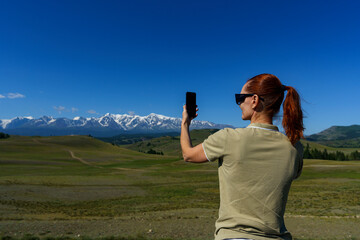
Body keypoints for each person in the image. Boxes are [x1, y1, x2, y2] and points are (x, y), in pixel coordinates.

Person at [180, 73, 304, 240]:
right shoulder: (295, 147)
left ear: (254, 100)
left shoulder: (229, 138)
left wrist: (185, 122)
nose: (238, 104)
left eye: (240, 98)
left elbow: (188, 155)